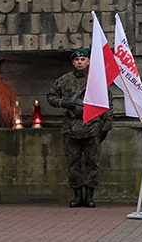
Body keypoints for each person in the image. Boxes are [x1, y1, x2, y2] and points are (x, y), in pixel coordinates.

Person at [47, 48, 113, 208]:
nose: (80, 62)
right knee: (73, 163)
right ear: (73, 62)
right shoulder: (64, 80)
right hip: (71, 126)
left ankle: (90, 196)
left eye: (83, 59)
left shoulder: (96, 80)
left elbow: (107, 104)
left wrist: (106, 126)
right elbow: (50, 96)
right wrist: (63, 103)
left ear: (88, 61)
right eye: (77, 60)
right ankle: (77, 195)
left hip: (92, 126)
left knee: (92, 163)